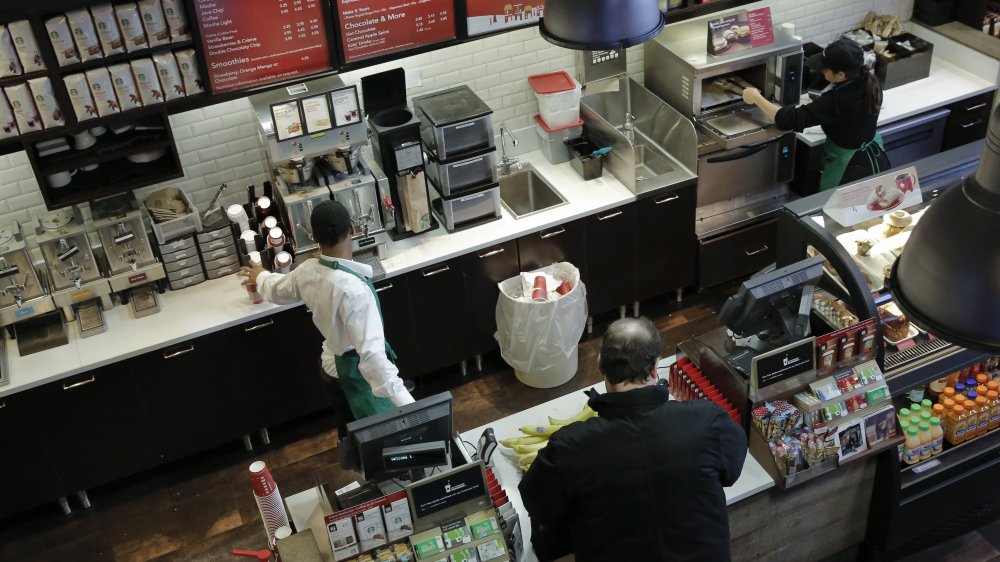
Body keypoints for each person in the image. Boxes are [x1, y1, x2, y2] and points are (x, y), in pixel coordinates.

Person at [519, 317, 747, 562]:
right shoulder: (707, 421)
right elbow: (730, 472)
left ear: (600, 366)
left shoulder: (569, 448)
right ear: (654, 368)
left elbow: (537, 501)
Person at [238, 200, 414, 432]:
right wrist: (412, 409)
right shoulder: (354, 291)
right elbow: (372, 358)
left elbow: (277, 290)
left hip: (331, 369)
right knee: (377, 438)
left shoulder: (307, 270)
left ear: (313, 236)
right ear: (351, 229)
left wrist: (260, 276)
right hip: (356, 375)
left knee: (350, 429)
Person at [742, 38, 890, 190]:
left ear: (840, 75)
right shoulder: (869, 82)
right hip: (876, 157)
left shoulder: (835, 101)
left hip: (851, 171)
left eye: (825, 68)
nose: (821, 70)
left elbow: (789, 119)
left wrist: (756, 97)